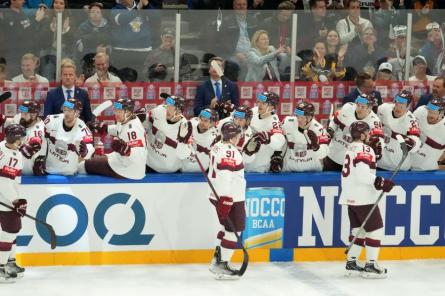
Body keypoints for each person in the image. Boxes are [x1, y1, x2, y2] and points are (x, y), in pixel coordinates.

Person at [339, 120, 394, 279]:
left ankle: (352, 263)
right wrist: (380, 182)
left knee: (359, 231)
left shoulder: (350, 147)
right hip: (364, 197)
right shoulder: (365, 148)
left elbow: (358, 169)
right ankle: (371, 265)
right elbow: (363, 174)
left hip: (350, 196)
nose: (369, 135)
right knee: (375, 230)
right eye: (367, 133)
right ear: (362, 135)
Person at [208, 121, 245, 280]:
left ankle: (217, 259)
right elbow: (225, 175)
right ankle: (222, 263)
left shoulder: (217, 146)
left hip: (219, 195)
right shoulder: (231, 152)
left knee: (225, 228)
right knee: (233, 230)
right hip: (231, 197)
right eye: (237, 135)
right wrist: (226, 199)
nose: (238, 138)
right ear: (233, 137)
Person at [80, 98, 147, 179]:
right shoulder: (128, 119)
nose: (116, 114)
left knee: (82, 166)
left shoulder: (133, 130)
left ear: (128, 112)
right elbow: (119, 129)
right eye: (116, 110)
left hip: (128, 169)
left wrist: (126, 150)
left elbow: (138, 155)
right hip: (122, 161)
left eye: (120, 111)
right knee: (97, 159)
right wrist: (103, 128)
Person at [324, 94, 383, 171]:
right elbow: (335, 121)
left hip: (353, 162)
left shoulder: (374, 122)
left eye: (363, 107)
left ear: (370, 108)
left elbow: (378, 143)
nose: (359, 109)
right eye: (358, 105)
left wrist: (377, 151)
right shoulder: (347, 107)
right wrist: (331, 130)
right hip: (332, 156)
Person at [0, 124, 28, 282]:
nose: (23, 140)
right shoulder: (12, 157)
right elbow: (3, 182)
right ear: (16, 140)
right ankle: (1, 266)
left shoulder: (2, 146)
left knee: (14, 230)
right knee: (10, 231)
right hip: (5, 200)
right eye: (21, 138)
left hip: (4, 198)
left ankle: (10, 262)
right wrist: (16, 201)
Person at [43, 98, 95, 175]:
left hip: (69, 173)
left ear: (77, 113)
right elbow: (38, 134)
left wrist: (86, 152)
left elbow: (90, 147)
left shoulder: (83, 129)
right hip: (49, 170)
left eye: (69, 111)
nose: (66, 113)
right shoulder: (51, 120)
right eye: (65, 109)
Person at [377, 90, 421, 171]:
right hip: (381, 163)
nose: (398, 107)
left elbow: (416, 143)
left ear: (408, 106)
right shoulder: (383, 109)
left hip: (399, 167)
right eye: (397, 103)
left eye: (402, 105)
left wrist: (412, 143)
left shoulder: (411, 121)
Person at [145, 95, 190, 173]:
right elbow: (148, 123)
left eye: (171, 108)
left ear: (179, 111)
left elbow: (183, 155)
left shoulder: (185, 127)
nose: (167, 110)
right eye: (167, 106)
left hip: (168, 171)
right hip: (149, 163)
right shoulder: (159, 110)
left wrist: (181, 142)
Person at [281, 102, 329, 172]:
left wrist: (316, 147)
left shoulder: (319, 129)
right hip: (289, 172)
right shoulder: (287, 122)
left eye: (302, 117)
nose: (299, 119)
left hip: (311, 174)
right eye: (297, 116)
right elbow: (279, 141)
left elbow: (323, 155)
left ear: (310, 117)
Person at [244, 91, 285, 173]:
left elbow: (280, 141)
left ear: (272, 107)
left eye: (263, 103)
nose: (259, 105)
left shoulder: (274, 121)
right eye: (259, 102)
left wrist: (268, 139)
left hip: (259, 168)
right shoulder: (254, 111)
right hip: (244, 165)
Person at [2, 100, 46, 176]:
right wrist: (2, 119)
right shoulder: (21, 118)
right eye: (22, 112)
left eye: (25, 114)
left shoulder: (38, 132)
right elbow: (13, 122)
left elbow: (26, 153)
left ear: (34, 114)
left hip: (27, 171)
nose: (22, 116)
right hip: (13, 165)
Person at [411, 98, 445, 170]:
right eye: (429, 111)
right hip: (408, 166)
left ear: (441, 113)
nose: (429, 115)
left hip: (429, 171)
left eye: (433, 112)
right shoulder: (420, 111)